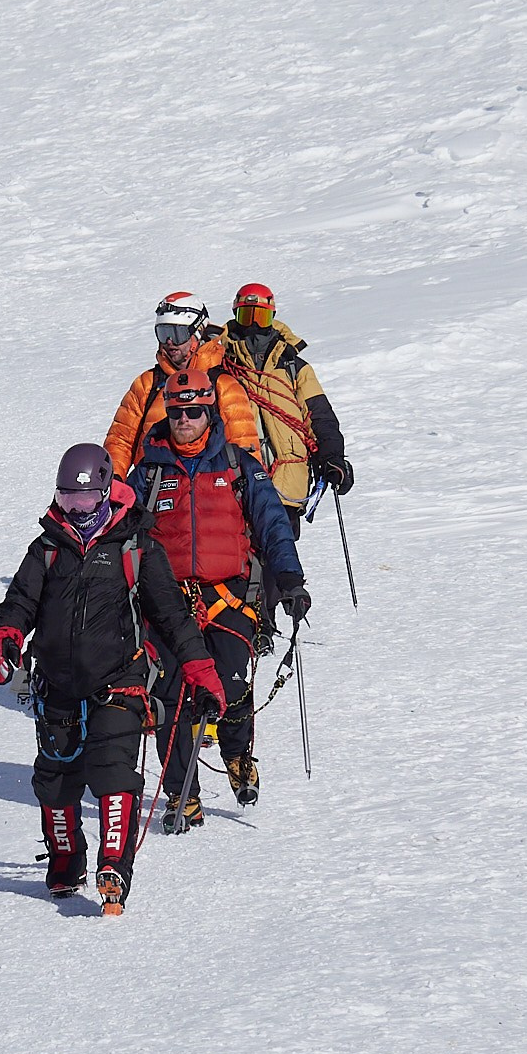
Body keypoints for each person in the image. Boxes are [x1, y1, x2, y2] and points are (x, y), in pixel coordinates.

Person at [0, 443, 225, 914]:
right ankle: (66, 858)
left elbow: (174, 618)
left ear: (107, 493)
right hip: (56, 683)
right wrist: (5, 635)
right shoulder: (48, 547)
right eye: (67, 499)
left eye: (87, 500)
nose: (77, 510)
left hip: (121, 680)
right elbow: (19, 602)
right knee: (54, 781)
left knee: (113, 771)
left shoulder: (136, 547)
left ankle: (114, 864)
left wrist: (200, 669)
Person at [125, 371, 308, 829]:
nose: (184, 420)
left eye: (193, 412)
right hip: (165, 602)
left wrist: (289, 579)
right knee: (171, 695)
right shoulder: (146, 473)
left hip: (229, 598)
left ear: (210, 412)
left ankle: (237, 754)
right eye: (176, 411)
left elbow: (272, 525)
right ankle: (181, 793)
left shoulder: (239, 466)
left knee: (228, 682)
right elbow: (118, 534)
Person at [221, 283, 353, 537]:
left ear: (272, 316)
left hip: (287, 483)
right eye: (246, 316)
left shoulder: (294, 366)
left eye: (261, 317)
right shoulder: (220, 362)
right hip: (235, 483)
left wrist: (332, 457)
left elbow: (320, 416)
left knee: (280, 563)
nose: (254, 326)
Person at [103, 292, 261, 479]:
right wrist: (114, 482)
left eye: (177, 333)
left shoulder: (223, 385)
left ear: (197, 332)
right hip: (152, 492)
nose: (169, 342)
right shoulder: (147, 384)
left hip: (210, 490)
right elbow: (121, 440)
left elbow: (244, 447)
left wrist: (250, 490)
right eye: (163, 333)